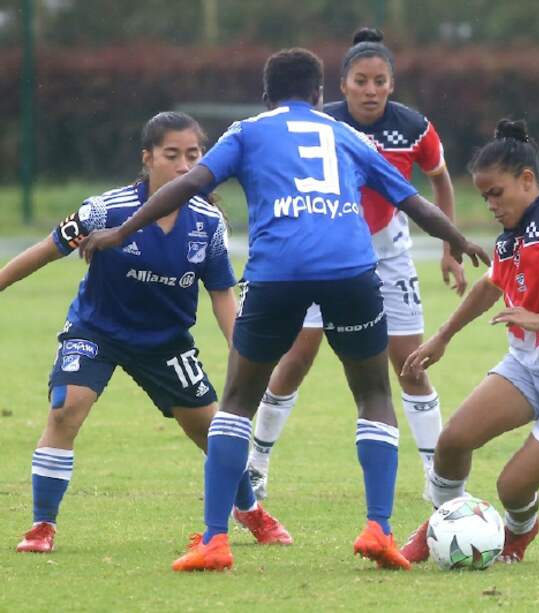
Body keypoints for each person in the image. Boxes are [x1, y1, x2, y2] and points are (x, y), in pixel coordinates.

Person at [78, 48, 489, 572]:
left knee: (237, 400)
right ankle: (378, 530)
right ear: (322, 94)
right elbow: (413, 201)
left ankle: (215, 540)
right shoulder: (348, 136)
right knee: (372, 394)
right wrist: (458, 239)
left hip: (278, 272)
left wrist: (122, 229)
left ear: (266, 94)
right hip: (351, 269)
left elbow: (187, 184)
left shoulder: (248, 131)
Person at [0, 112, 291, 554]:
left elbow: (221, 295)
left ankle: (248, 509)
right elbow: (47, 248)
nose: (182, 165)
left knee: (214, 432)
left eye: (193, 155)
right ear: (147, 157)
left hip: (166, 343)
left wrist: (242, 349)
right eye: (171, 154)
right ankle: (42, 526)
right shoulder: (104, 209)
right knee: (65, 409)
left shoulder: (208, 224)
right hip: (96, 331)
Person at [246, 28, 465, 502]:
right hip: (327, 257)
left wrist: (449, 246)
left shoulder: (414, 129)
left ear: (392, 84)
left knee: (410, 364)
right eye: (361, 80)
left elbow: (440, 181)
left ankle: (437, 479)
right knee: (296, 359)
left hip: (388, 257)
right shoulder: (322, 124)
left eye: (380, 81)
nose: (371, 90)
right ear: (341, 85)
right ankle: (257, 465)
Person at [398, 119, 539, 565]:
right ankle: (439, 524)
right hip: (529, 367)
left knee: (512, 487)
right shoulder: (510, 241)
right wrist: (442, 337)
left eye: (495, 193)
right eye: (484, 196)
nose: (489, 204)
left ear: (526, 181)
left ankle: (520, 530)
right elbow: (489, 286)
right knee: (452, 441)